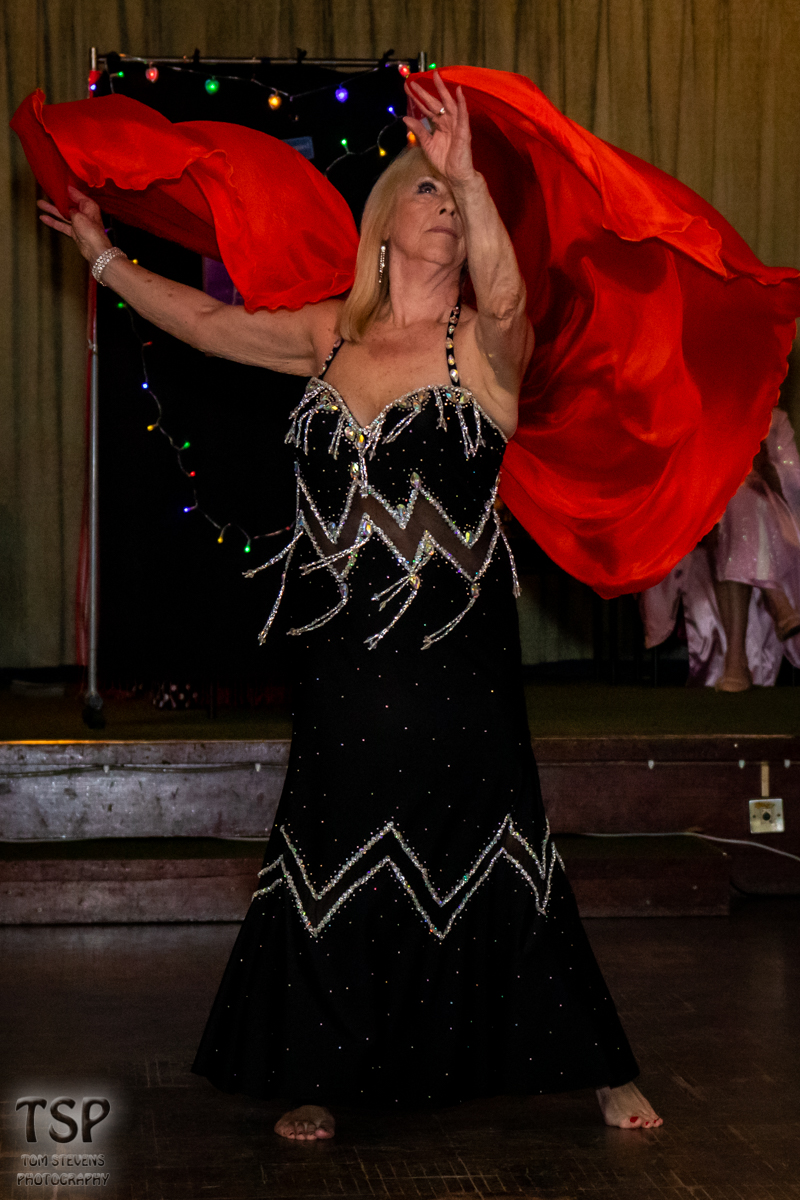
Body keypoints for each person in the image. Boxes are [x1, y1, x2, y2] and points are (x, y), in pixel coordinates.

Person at [39, 73, 661, 1138]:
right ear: (383, 221)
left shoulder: (483, 347)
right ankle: (317, 1067)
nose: (445, 207)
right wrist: (102, 257)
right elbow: (206, 322)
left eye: (457, 199)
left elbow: (514, 302)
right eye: (427, 191)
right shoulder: (327, 335)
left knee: (496, 836)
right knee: (332, 839)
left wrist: (470, 173)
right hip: (340, 649)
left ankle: (595, 1062)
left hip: (456, 652)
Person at [639, 407, 800, 689]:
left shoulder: (774, 418)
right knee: (733, 500)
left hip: (769, 522)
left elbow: (794, 482)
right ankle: (778, 602)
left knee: (740, 501)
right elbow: (680, 477)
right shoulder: (700, 414)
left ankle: (735, 663)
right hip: (707, 521)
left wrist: (766, 469)